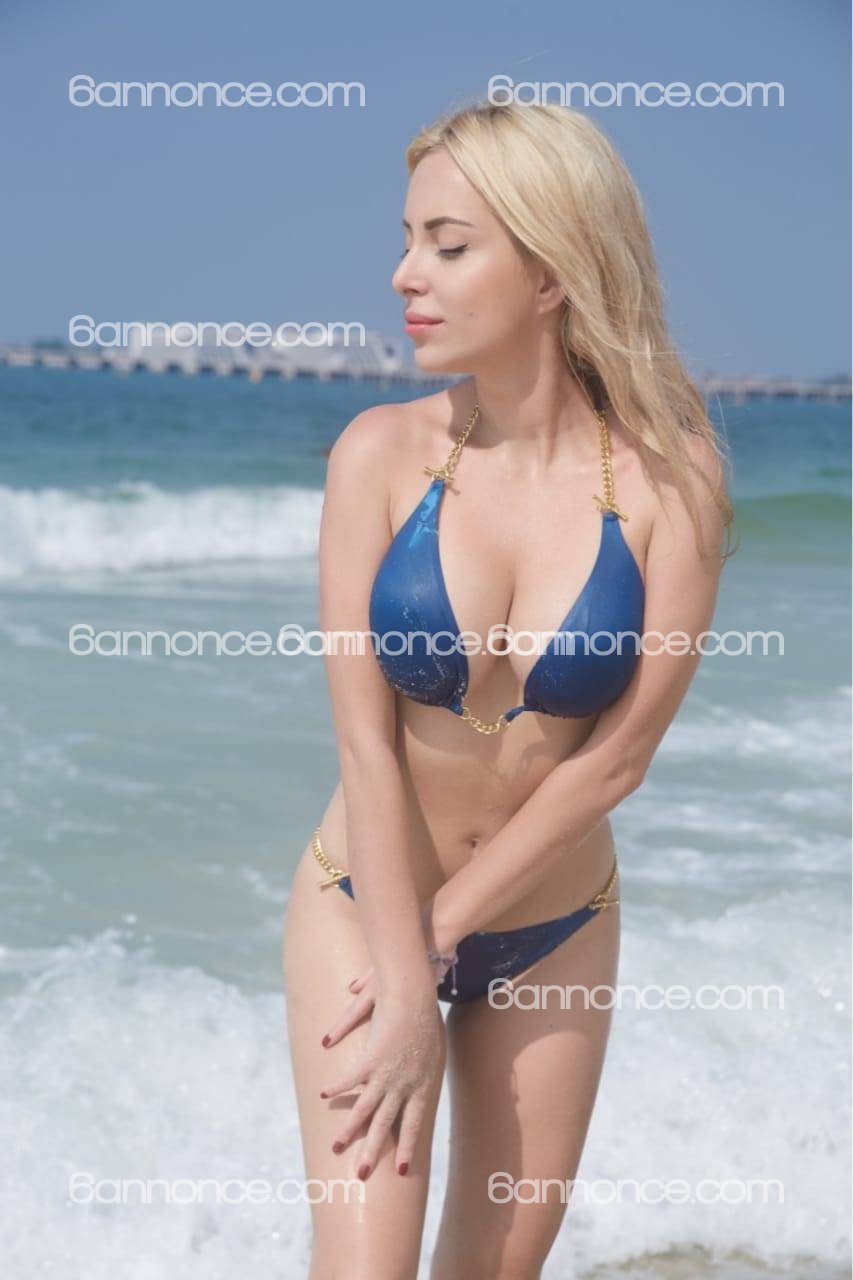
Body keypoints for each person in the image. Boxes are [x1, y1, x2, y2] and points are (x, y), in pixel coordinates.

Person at [283, 100, 733, 1280]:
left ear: (550, 270)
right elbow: (363, 741)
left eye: (447, 244)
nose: (404, 274)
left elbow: (615, 758)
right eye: (406, 239)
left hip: (549, 930)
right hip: (363, 908)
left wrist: (439, 944)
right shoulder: (377, 454)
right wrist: (402, 966)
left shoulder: (674, 478)